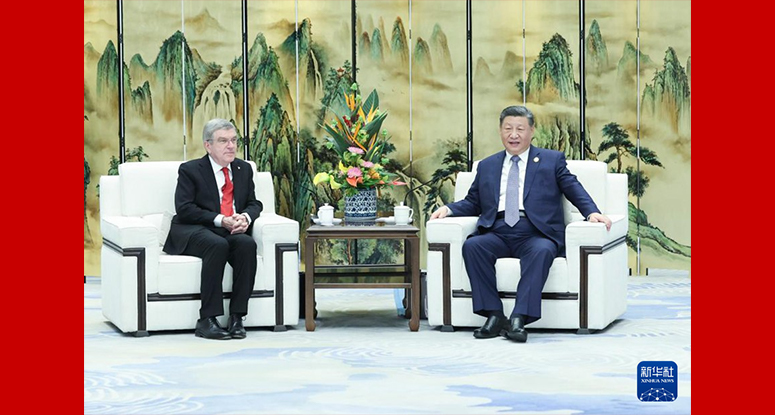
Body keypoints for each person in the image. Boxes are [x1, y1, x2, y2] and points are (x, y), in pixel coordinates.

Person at [430, 105, 611, 343]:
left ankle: (519, 317)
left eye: (520, 129)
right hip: (498, 229)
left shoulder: (551, 160)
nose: (513, 135)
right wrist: (449, 209)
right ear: (500, 131)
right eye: (508, 129)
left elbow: (572, 187)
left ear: (531, 131)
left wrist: (591, 212)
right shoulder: (487, 165)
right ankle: (494, 315)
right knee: (473, 246)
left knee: (542, 251)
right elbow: (474, 201)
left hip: (536, 232)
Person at [163, 118, 263, 340]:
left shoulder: (244, 169)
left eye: (234, 140)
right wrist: (221, 219)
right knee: (216, 245)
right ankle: (207, 320)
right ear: (208, 145)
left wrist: (245, 218)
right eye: (223, 141)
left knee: (247, 244)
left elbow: (254, 203)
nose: (231, 146)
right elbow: (184, 209)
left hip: (228, 230)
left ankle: (237, 317)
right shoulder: (190, 170)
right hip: (194, 229)